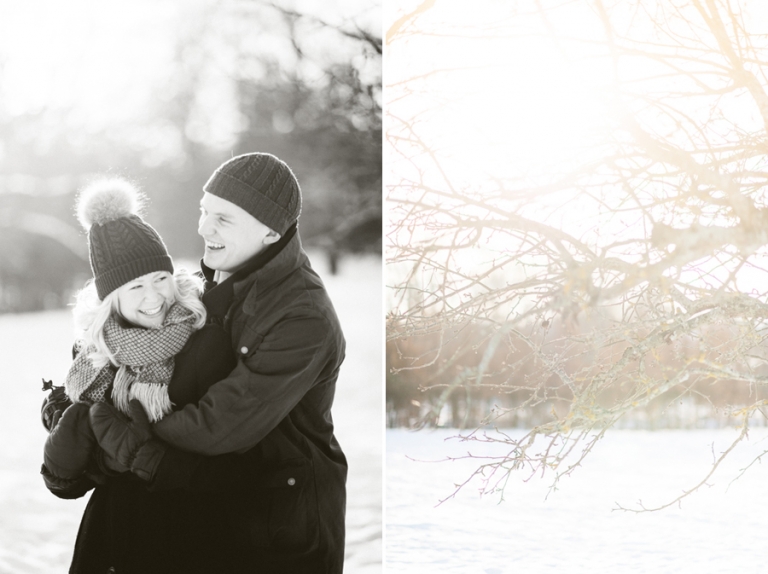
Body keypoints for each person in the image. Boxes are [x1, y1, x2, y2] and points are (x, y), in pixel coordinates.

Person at [89, 152, 348, 573]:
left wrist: (121, 436)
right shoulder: (213, 281)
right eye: (204, 210)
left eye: (223, 219)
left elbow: (220, 425)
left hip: (281, 527)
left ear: (270, 231)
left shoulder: (301, 316)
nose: (204, 228)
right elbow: (135, 344)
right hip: (221, 515)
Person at [41, 177, 237, 573]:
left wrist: (133, 452)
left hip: (185, 534)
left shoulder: (204, 339)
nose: (154, 298)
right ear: (111, 297)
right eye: (135, 287)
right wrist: (68, 438)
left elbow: (224, 452)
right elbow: (70, 482)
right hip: (112, 534)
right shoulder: (92, 355)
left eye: (160, 279)